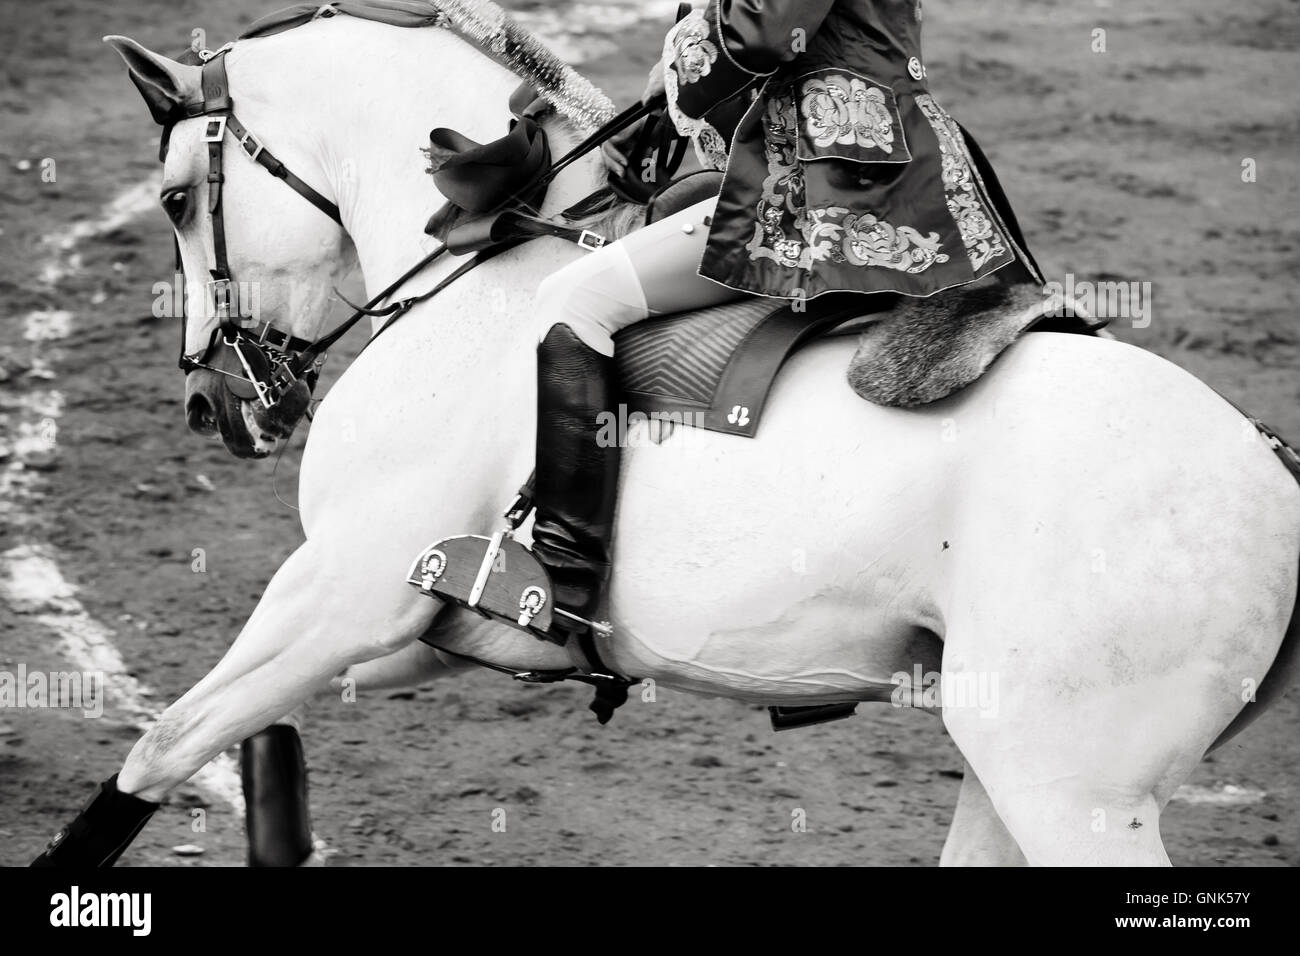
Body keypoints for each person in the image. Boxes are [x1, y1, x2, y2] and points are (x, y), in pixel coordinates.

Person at [529, 0, 1042, 641]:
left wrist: (681, 61)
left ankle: (561, 572)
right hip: (886, 159)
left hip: (828, 184)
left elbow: (761, 31)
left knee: (576, 299)